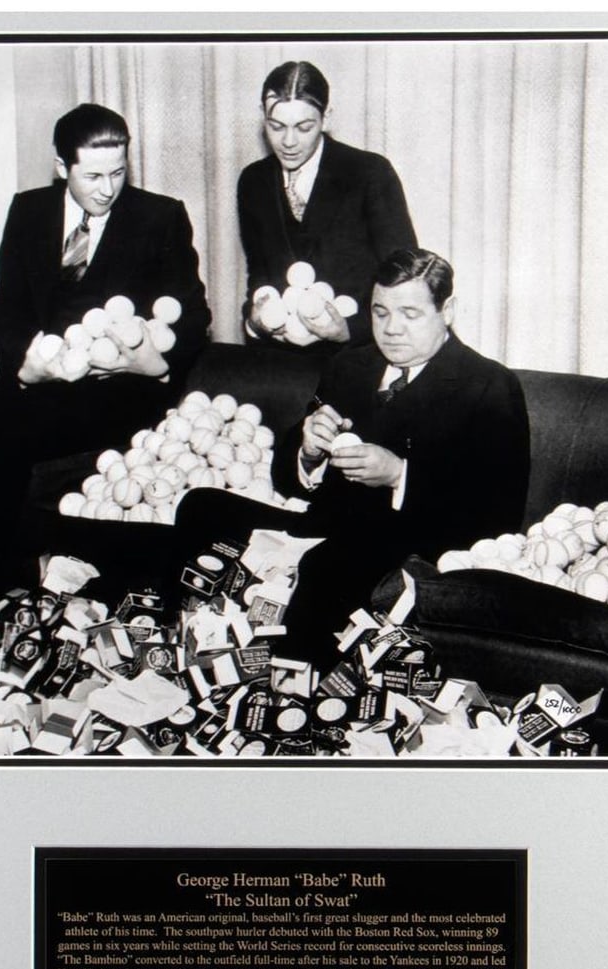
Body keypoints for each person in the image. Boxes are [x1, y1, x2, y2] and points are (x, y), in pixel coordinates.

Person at [0, 104, 211, 610]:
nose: (107, 188)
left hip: (115, 390)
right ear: (60, 166)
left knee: (0, 471)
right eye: (92, 175)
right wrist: (25, 367)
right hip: (34, 381)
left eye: (118, 172)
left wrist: (150, 364)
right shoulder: (28, 212)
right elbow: (5, 309)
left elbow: (194, 321)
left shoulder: (159, 217)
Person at [174, 248, 530, 668]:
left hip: (406, 542)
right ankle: (181, 649)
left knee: (330, 563)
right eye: (380, 313)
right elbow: (288, 481)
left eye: (410, 314)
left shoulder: (489, 385)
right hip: (323, 526)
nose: (392, 329)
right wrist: (307, 452)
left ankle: (290, 692)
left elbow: (500, 515)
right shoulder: (350, 365)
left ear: (446, 310)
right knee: (201, 506)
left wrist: (401, 476)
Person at [238, 61, 417, 353]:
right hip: (282, 356)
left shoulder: (370, 173)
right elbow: (258, 272)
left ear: (326, 118)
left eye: (304, 127)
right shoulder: (252, 181)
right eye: (276, 126)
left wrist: (349, 330)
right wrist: (255, 319)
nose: (289, 141)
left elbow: (404, 280)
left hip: (359, 355)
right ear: (263, 118)